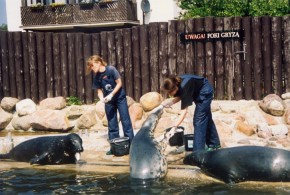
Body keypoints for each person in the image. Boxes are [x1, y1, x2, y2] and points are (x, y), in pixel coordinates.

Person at [86, 55, 134, 155]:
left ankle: (132, 145)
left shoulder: (111, 70)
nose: (92, 68)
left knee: (125, 121)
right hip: (109, 101)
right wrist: (102, 99)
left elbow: (119, 83)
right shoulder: (97, 77)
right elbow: (99, 91)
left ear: (99, 62)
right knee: (112, 123)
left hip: (120, 98)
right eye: (90, 66)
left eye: (92, 65)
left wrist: (112, 94)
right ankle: (114, 148)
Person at [161, 74, 221, 152]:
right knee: (206, 118)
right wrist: (170, 103)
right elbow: (180, 95)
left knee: (198, 121)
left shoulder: (185, 86)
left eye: (169, 92)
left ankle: (198, 153)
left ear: (175, 88)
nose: (169, 95)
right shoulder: (177, 82)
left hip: (205, 91)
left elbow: (184, 111)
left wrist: (174, 127)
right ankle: (215, 144)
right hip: (198, 91)